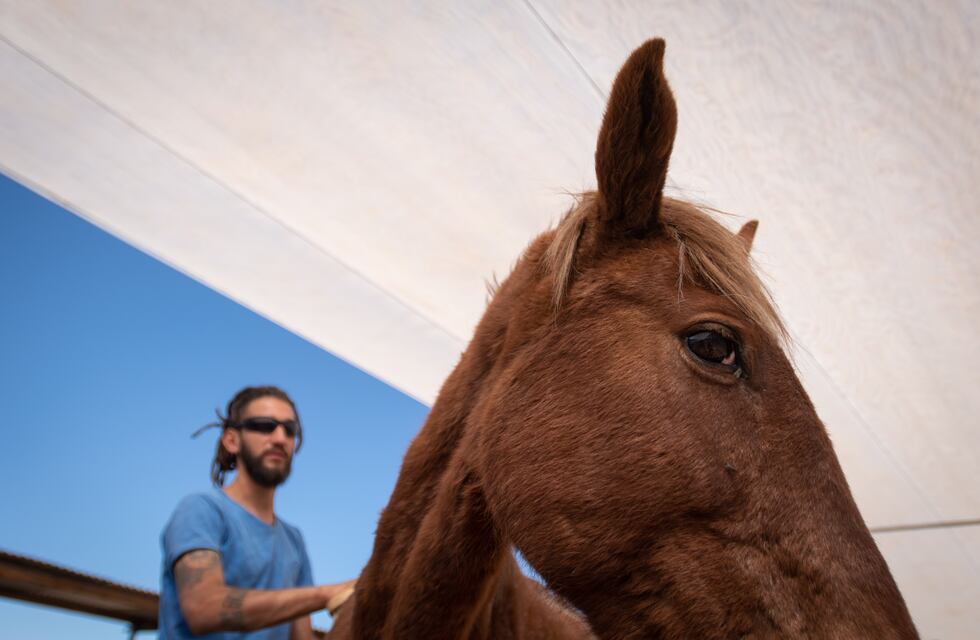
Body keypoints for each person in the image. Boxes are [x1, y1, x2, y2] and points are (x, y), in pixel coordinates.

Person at [159, 386, 355, 639]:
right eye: (264, 425)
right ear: (231, 440)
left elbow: (301, 635)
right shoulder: (201, 510)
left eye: (290, 429)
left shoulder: (293, 540)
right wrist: (326, 594)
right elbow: (203, 608)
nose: (280, 437)